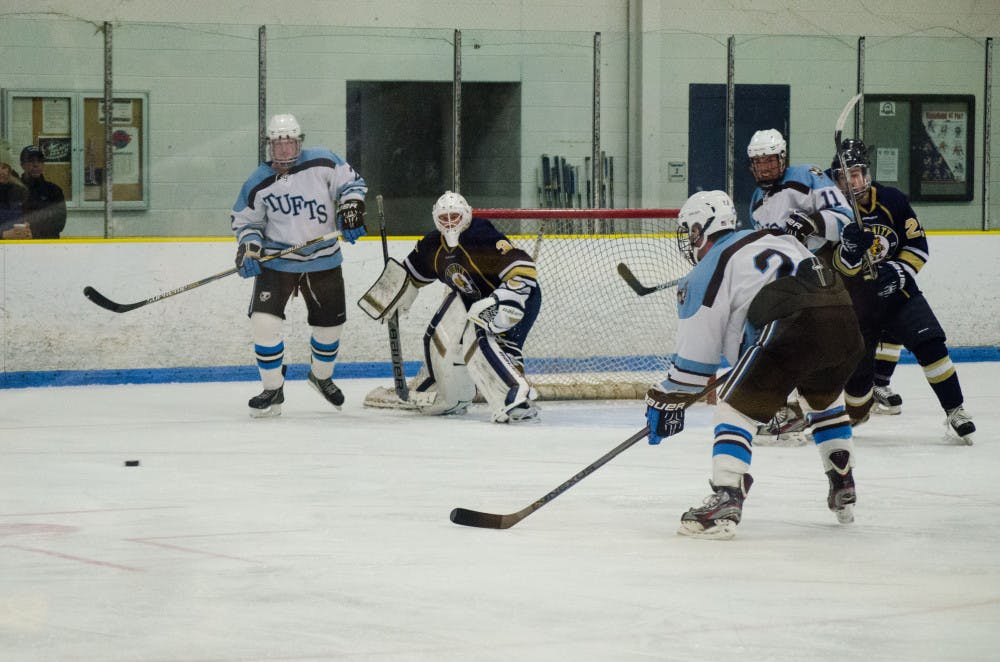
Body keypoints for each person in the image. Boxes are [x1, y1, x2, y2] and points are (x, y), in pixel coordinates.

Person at [643, 190, 863, 540]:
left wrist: (664, 399)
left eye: (689, 231)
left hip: (793, 323)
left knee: (735, 407)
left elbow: (694, 369)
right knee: (822, 397)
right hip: (845, 321)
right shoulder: (774, 236)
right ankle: (843, 480)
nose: (688, 240)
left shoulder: (705, 271)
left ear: (700, 229)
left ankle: (726, 498)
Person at [829, 139, 975, 442]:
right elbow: (837, 267)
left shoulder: (892, 200)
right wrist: (850, 252)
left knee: (931, 345)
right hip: (859, 304)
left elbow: (918, 246)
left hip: (900, 293)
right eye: (844, 177)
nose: (851, 182)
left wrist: (897, 272)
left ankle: (955, 410)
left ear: (866, 175)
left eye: (855, 174)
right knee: (857, 388)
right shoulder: (835, 213)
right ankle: (855, 409)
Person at [359, 190, 541, 423]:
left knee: (492, 341)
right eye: (444, 218)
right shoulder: (433, 246)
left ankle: (517, 398)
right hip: (475, 302)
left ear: (466, 215)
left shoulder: (480, 234)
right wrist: (390, 295)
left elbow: (522, 267)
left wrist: (508, 298)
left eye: (454, 216)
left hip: (518, 298)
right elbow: (408, 275)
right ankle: (442, 389)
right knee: (439, 332)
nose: (450, 223)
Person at [231, 113, 368, 418]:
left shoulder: (323, 161)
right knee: (264, 324)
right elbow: (246, 222)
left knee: (330, 328)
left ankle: (321, 377)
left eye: (290, 142)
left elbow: (353, 184)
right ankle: (272, 389)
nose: (284, 149)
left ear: (299, 142)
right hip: (278, 263)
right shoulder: (258, 181)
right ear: (269, 145)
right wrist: (250, 249)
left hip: (324, 260)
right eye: (278, 143)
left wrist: (351, 209)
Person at [743, 128, 856, 439]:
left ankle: (812, 407)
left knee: (800, 343)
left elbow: (846, 218)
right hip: (784, 282)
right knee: (767, 337)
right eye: (759, 162)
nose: (765, 168)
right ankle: (783, 407)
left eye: (770, 161)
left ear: (783, 158)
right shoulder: (756, 201)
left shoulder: (807, 176)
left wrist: (812, 222)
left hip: (817, 272)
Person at [17, 145, 66, 239]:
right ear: (22, 165)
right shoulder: (14, 189)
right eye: (31, 161)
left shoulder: (54, 190)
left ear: (43, 164)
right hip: (20, 243)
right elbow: (9, 220)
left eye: (39, 161)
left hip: (47, 243)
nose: (36, 165)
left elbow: (59, 223)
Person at [0, 162, 28, 239]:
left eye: (4, 175)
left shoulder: (19, 192)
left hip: (17, 242)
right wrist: (3, 234)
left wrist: (29, 230)